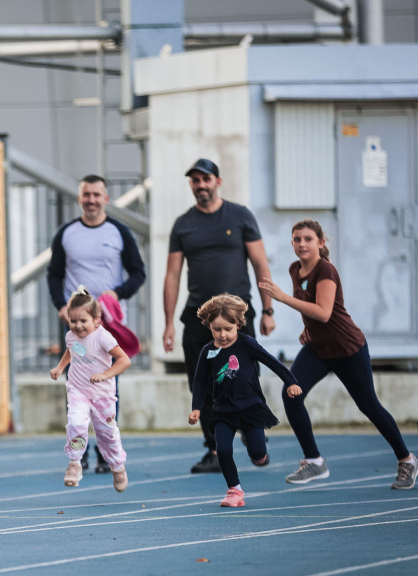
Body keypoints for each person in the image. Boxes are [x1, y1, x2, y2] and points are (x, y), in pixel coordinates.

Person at [258, 219, 416, 489]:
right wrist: (309, 332)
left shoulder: (326, 271)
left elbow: (324, 311)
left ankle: (407, 460)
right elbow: (311, 311)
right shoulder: (295, 269)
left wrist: (282, 298)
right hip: (318, 349)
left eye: (308, 239)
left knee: (369, 405)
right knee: (291, 393)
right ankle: (314, 462)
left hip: (347, 348)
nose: (302, 244)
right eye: (297, 239)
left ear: (321, 242)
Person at [163, 158, 277, 474]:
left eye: (206, 179)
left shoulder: (240, 216)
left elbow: (260, 265)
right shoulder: (183, 224)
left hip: (238, 318)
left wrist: (268, 310)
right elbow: (172, 275)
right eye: (195, 180)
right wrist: (169, 322)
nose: (201, 185)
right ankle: (214, 449)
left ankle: (253, 436)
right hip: (198, 319)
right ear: (191, 185)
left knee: (244, 381)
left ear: (218, 181)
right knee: (202, 384)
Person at [47, 174, 145, 474]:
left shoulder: (119, 232)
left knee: (106, 384)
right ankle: (81, 451)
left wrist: (118, 293)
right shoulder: (66, 233)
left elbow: (138, 273)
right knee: (75, 385)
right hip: (75, 322)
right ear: (80, 198)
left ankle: (106, 452)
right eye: (86, 194)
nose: (91, 200)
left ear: (106, 198)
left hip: (107, 323)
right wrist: (62, 307)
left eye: (96, 195)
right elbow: (54, 274)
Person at [188, 294, 302, 507]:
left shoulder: (247, 344)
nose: (222, 335)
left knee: (258, 454)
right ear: (209, 327)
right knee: (222, 450)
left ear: (238, 325)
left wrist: (291, 382)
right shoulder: (208, 352)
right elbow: (200, 382)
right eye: (216, 329)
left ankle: (257, 450)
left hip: (250, 407)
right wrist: (196, 408)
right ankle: (235, 491)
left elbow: (272, 362)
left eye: (228, 329)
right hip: (223, 410)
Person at [49, 286, 132, 492]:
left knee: (107, 434)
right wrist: (60, 367)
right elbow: (71, 350)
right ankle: (75, 463)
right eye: (73, 320)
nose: (77, 326)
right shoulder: (71, 336)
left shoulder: (103, 338)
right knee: (76, 424)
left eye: (83, 321)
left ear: (97, 320)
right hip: (78, 390)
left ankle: (117, 466)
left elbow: (124, 360)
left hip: (102, 394)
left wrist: (105, 375)